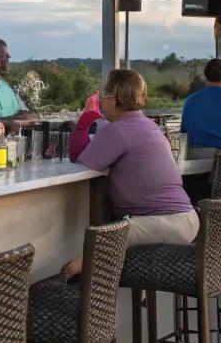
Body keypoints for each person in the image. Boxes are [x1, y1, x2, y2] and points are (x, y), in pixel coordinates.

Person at [68, 70, 198, 261]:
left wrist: (86, 117)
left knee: (99, 240)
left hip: (164, 223)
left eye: (104, 95)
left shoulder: (117, 129)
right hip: (186, 220)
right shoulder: (150, 125)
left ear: (114, 98)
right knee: (107, 236)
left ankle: (76, 274)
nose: (102, 101)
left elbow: (79, 159)